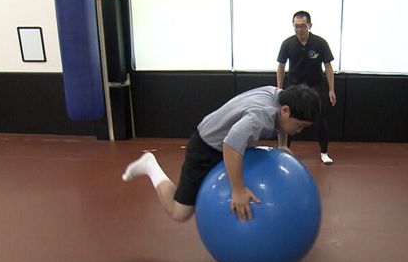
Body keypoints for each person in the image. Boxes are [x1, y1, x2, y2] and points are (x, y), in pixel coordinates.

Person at [122, 85, 320, 222]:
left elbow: (282, 125)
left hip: (229, 141)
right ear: (285, 110)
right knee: (180, 213)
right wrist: (238, 190)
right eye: (300, 125)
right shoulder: (260, 116)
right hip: (206, 146)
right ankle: (150, 165)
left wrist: (282, 145)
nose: (299, 131)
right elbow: (231, 145)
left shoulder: (280, 96)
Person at [276, 11, 337, 165]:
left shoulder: (320, 43)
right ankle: (284, 151)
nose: (299, 30)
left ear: (309, 25)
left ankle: (324, 152)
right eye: (296, 26)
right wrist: (279, 88)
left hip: (315, 85)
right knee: (287, 118)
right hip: (294, 85)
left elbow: (328, 66)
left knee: (321, 118)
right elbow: (281, 66)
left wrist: (331, 90)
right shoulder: (287, 43)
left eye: (303, 26)